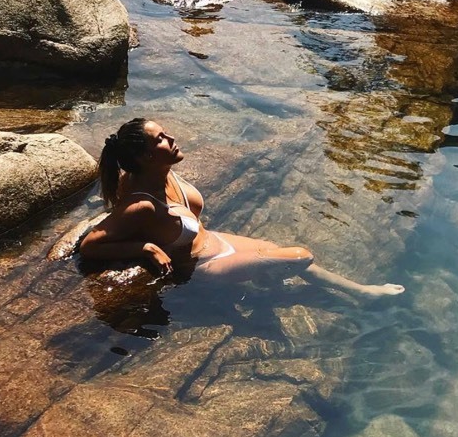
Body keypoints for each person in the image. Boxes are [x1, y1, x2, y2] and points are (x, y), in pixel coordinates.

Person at [79, 117, 405, 301]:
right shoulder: (143, 204)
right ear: (147, 157)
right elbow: (91, 244)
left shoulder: (161, 172)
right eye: (161, 138)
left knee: (279, 252)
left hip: (217, 241)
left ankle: (361, 291)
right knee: (301, 255)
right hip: (202, 266)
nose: (172, 137)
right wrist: (146, 247)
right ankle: (269, 288)